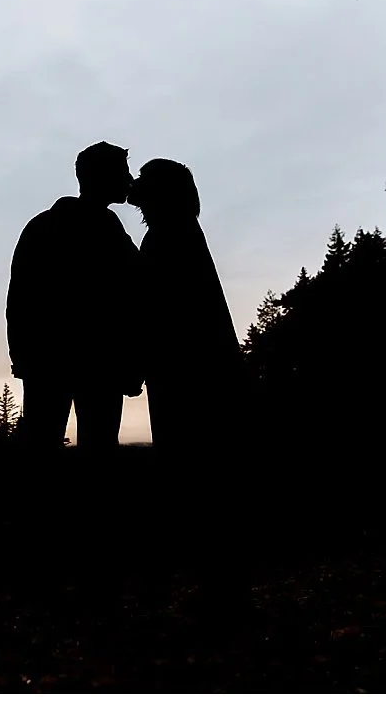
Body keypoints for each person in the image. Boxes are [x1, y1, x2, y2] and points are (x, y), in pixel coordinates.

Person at [126, 157, 254, 623]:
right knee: (208, 478)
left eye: (146, 183)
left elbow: (155, 311)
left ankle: (217, 591)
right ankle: (220, 587)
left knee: (196, 476)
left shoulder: (167, 237)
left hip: (186, 376)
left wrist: (134, 363)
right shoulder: (179, 231)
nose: (138, 190)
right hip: (198, 373)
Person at [5, 141, 143, 455]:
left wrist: (23, 357)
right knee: (82, 447)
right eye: (123, 172)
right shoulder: (96, 232)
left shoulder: (47, 226)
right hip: (82, 363)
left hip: (68, 362)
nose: (129, 180)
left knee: (54, 445)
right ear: (100, 175)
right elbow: (22, 299)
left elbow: (18, 301)